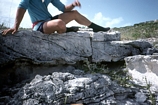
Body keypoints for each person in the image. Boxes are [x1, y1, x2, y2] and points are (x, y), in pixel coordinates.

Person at [2, 0, 110, 35]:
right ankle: (67, 30)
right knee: (59, 23)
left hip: (49, 20)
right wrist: (15, 27)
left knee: (75, 13)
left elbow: (64, 9)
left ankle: (96, 27)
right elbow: (21, 8)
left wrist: (72, 5)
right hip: (39, 25)